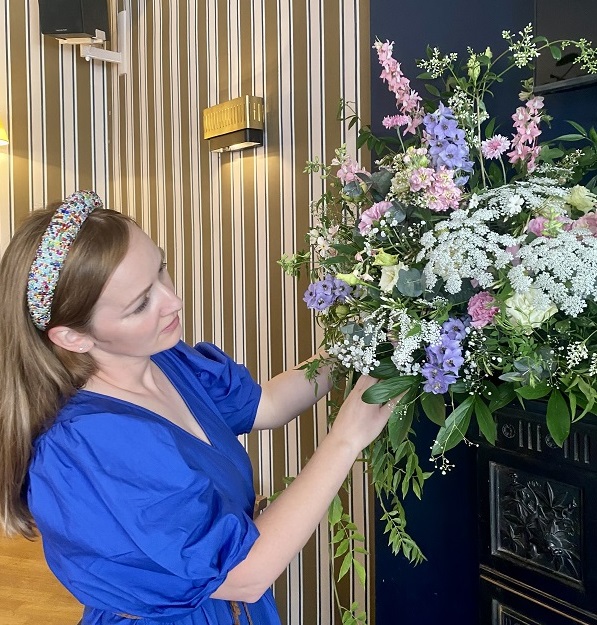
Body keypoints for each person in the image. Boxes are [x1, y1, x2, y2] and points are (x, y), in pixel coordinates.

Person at [0, 191, 393, 625]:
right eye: (140, 303)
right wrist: (346, 439)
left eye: (161, 269)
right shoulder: (92, 442)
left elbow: (268, 405)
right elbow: (244, 574)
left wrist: (357, 340)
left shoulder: (165, 359)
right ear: (74, 337)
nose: (173, 301)